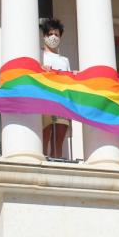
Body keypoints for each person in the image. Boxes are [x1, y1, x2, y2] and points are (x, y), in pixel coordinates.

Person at [40, 18, 72, 158]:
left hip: (61, 102)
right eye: (50, 34)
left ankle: (57, 163)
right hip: (45, 101)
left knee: (58, 141)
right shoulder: (39, 55)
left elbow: (69, 80)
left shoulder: (64, 60)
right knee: (44, 137)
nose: (53, 37)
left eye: (57, 34)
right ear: (44, 36)